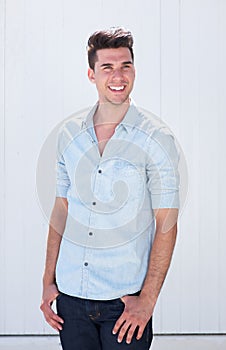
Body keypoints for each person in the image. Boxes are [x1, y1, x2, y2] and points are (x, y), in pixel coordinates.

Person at [40, 27, 180, 350]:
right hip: (71, 299)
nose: (119, 76)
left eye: (126, 66)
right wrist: (48, 281)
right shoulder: (69, 136)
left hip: (124, 302)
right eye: (108, 67)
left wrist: (147, 301)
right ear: (91, 74)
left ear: (134, 70)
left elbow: (167, 224)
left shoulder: (156, 139)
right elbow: (61, 210)